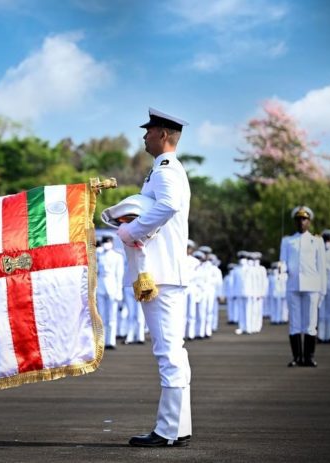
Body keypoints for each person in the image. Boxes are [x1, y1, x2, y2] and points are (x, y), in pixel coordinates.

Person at [116, 108, 192, 447]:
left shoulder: (165, 170)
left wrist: (132, 230)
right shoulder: (163, 170)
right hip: (165, 271)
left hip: (160, 273)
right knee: (174, 351)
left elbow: (168, 206)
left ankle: (166, 431)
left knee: (168, 354)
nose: (144, 136)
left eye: (148, 131)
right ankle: (179, 427)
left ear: (163, 135)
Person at [279, 206, 326, 367]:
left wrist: (323, 291)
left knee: (310, 323)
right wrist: (282, 268)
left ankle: (309, 357)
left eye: (304, 219)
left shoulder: (317, 240)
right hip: (293, 285)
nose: (301, 222)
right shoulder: (287, 241)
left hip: (312, 286)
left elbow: (321, 267)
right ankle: (297, 357)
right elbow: (283, 262)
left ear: (309, 221)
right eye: (298, 219)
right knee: (295, 323)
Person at [97, 236, 124, 349]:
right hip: (100, 287)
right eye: (104, 242)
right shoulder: (98, 255)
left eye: (108, 242)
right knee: (102, 316)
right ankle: (102, 341)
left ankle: (111, 341)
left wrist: (119, 291)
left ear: (112, 243)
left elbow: (119, 275)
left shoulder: (118, 256)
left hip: (113, 288)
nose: (106, 244)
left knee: (112, 316)